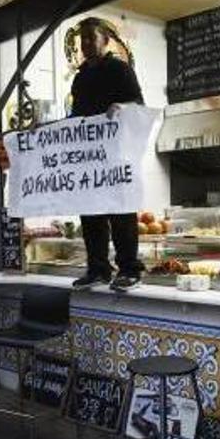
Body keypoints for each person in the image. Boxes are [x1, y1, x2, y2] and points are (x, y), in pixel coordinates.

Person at [69, 16, 145, 293]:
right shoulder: (79, 79)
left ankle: (129, 269)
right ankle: (98, 269)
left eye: (91, 37)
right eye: (83, 39)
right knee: (90, 213)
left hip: (117, 155)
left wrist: (122, 107)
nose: (86, 43)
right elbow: (75, 118)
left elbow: (139, 104)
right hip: (88, 159)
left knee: (121, 212)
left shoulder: (120, 70)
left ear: (105, 40)